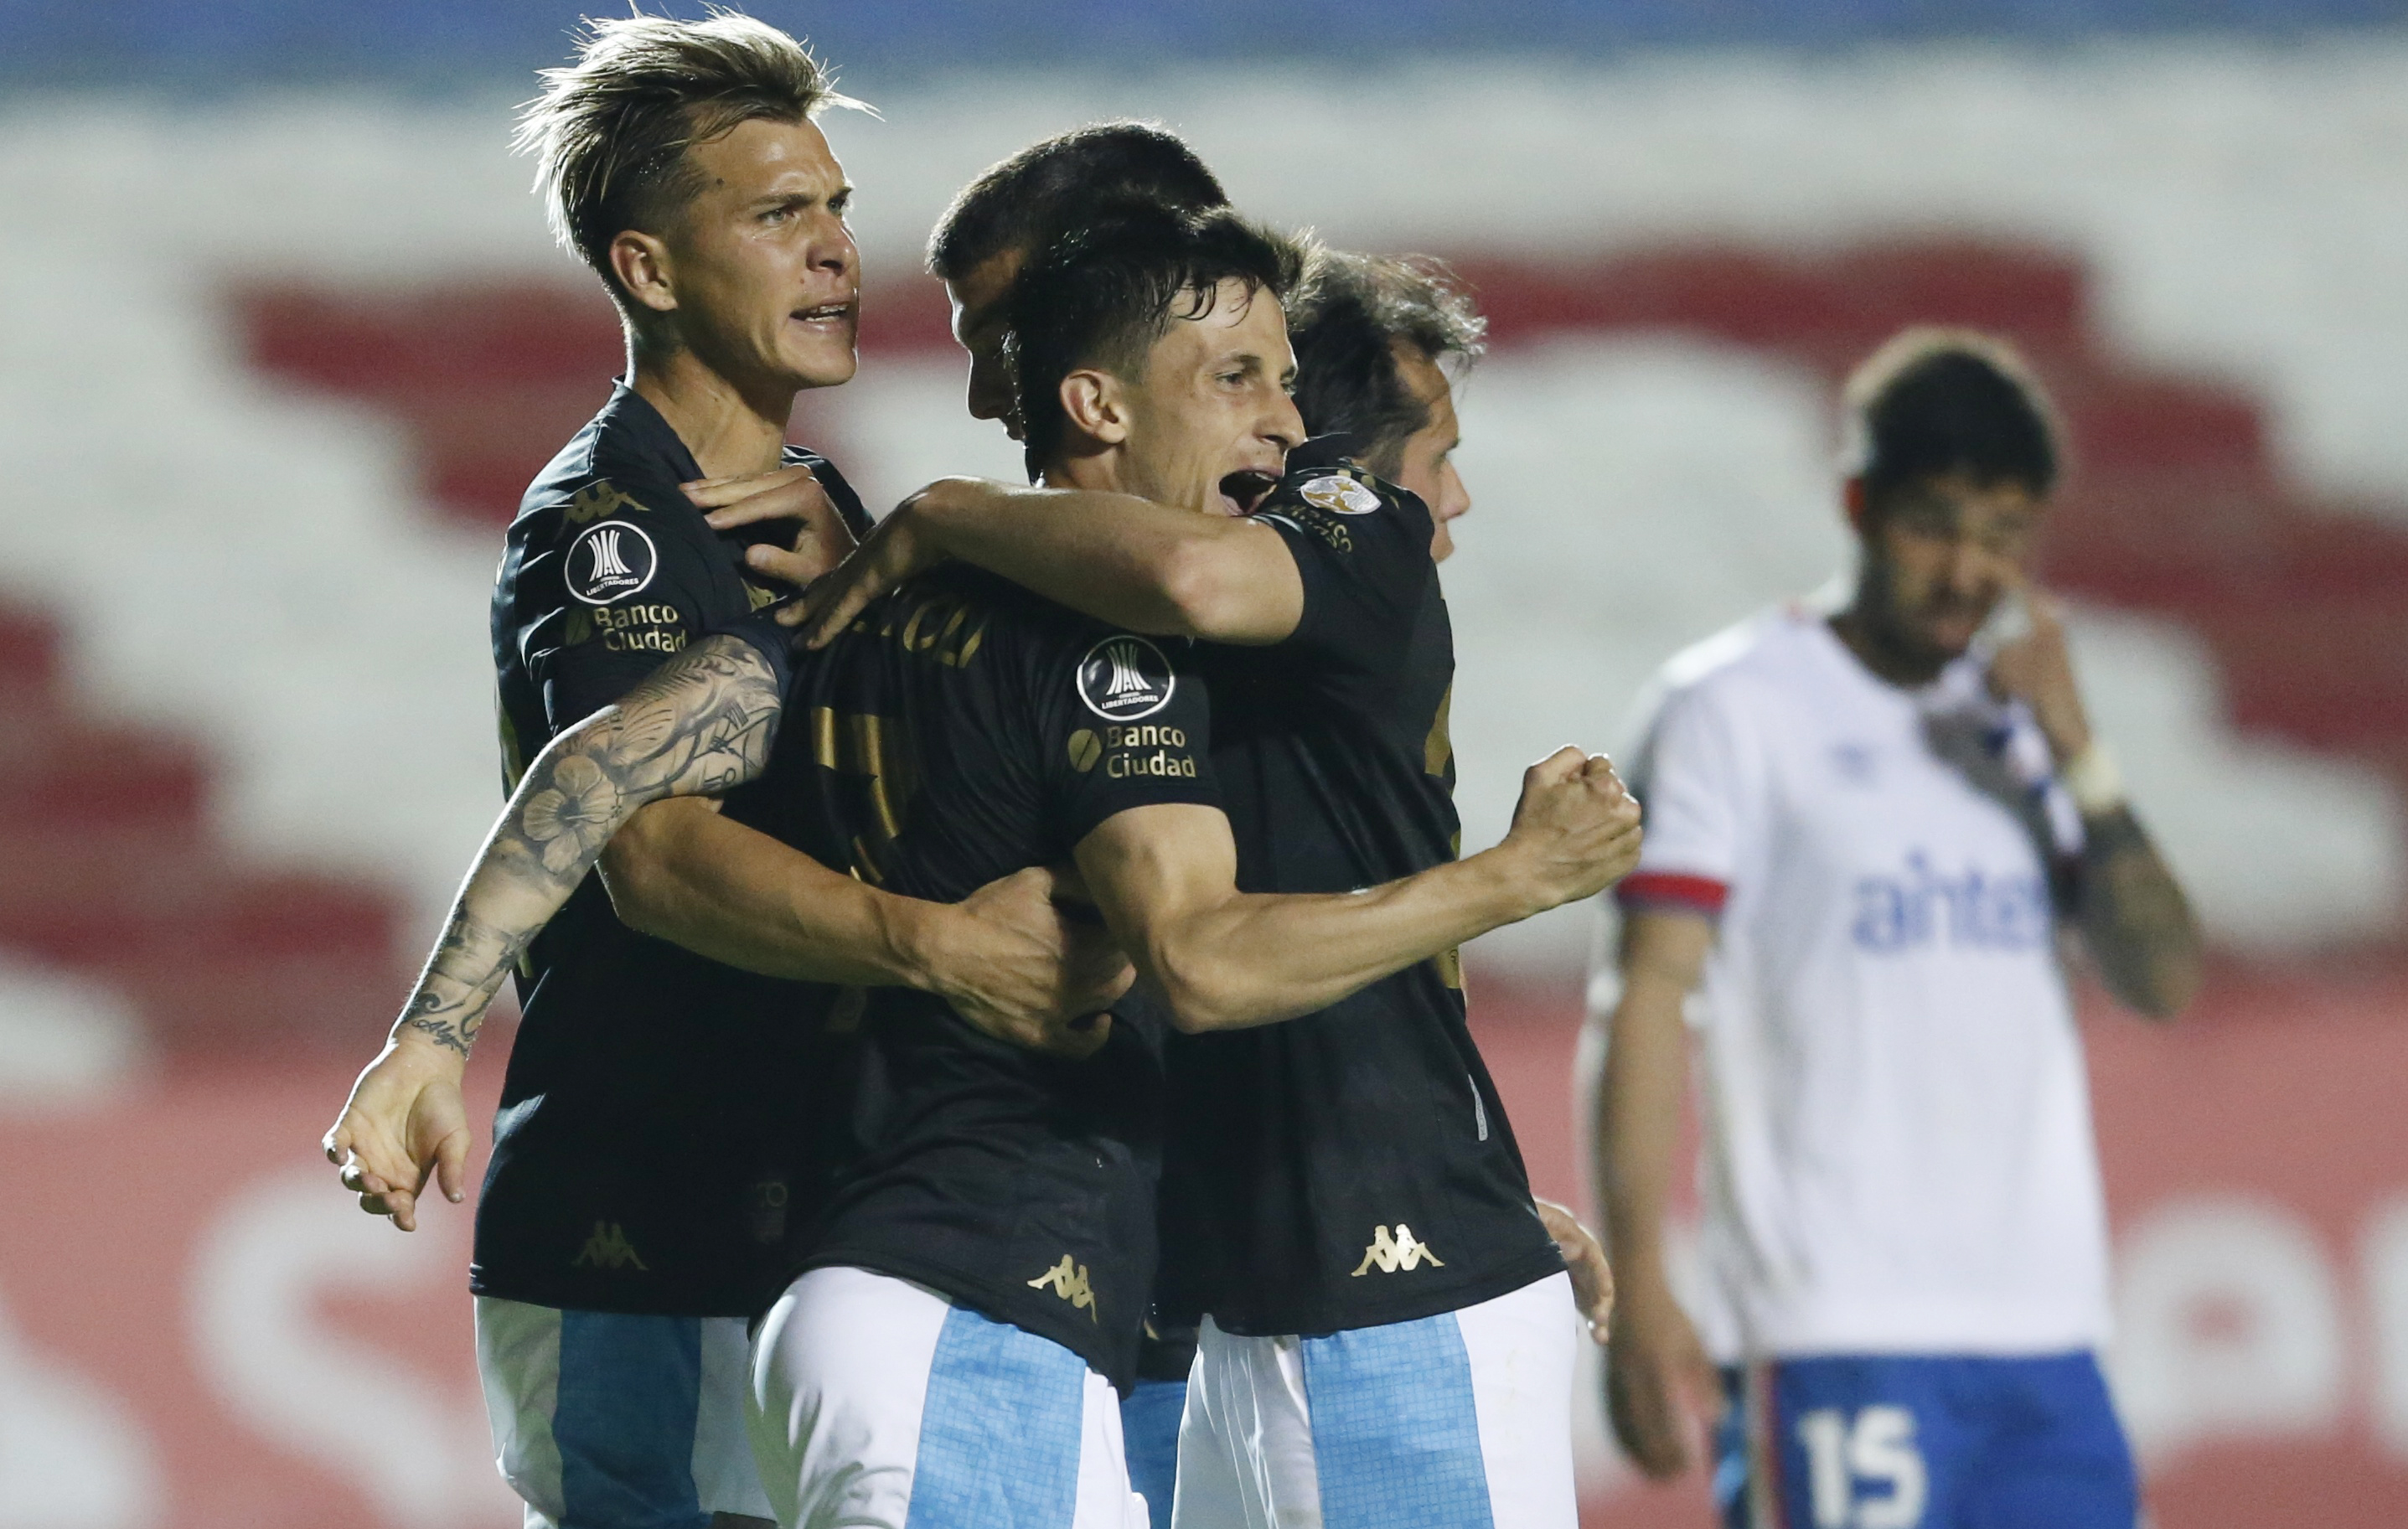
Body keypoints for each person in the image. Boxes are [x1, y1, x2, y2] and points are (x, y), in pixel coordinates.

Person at [339, 204, 1642, 1529]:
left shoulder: (866, 610)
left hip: (867, 1294)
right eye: (1238, 380)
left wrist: (427, 1037)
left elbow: (591, 773)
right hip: (982, 1307)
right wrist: (1518, 877)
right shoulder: (1111, 659)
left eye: (1289, 385)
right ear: (1102, 403)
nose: (1282, 429)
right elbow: (1199, 956)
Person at [320, 18, 1123, 1529]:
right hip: (640, 1222)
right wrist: (943, 950)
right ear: (649, 269)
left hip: (797, 1191)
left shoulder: (815, 497)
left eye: (836, 211)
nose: (834, 254)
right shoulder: (612, 525)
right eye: (777, 216)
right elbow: (656, 850)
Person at [781, 242, 1610, 1528]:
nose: (1447, 501)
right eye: (1435, 452)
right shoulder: (1214, 588)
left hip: (1320, 1272)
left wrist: (939, 514)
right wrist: (1511, 879)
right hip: (1262, 1295)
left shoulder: (1158, 602)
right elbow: (1205, 959)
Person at [1588, 328, 2203, 1529]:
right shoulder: (1731, 707)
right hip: (1833, 1326)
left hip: (2046, 1334)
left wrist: (2084, 756)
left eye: (2002, 536)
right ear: (1858, 504)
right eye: (1935, 525)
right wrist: (1640, 1287)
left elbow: (2164, 979)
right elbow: (1647, 995)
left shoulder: (2019, 729)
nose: (1967, 569)